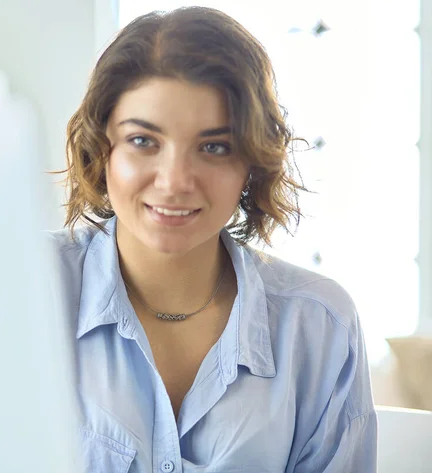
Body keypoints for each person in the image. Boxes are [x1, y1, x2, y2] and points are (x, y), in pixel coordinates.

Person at [49, 6, 377, 472]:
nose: (175, 181)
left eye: (214, 147)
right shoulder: (23, 291)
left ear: (252, 162)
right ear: (102, 149)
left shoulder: (320, 327)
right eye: (144, 140)